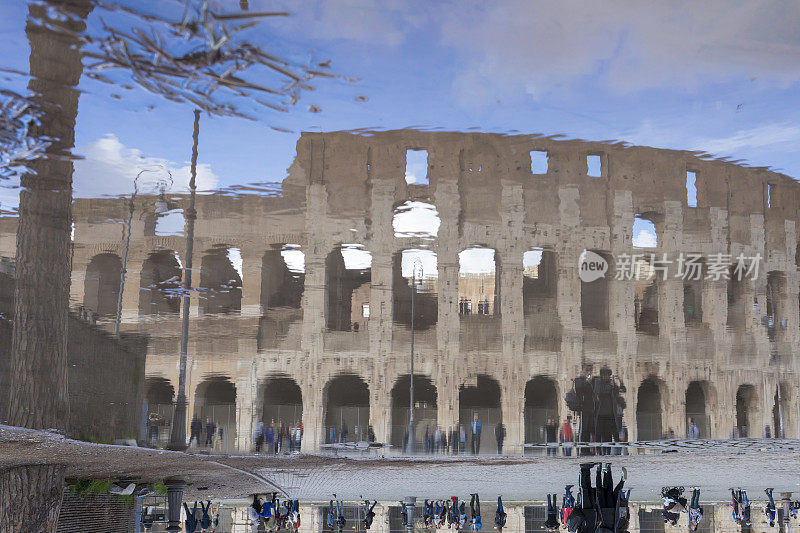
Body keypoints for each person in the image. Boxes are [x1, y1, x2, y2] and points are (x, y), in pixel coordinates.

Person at [593, 368, 622, 454]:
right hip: (600, 413)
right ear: (602, 375)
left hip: (610, 413)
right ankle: (598, 451)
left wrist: (619, 382)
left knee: (608, 434)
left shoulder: (611, 383)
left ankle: (608, 451)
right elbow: (599, 392)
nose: (607, 377)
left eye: (608, 375)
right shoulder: (598, 382)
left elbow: (620, 391)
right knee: (598, 433)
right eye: (605, 375)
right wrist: (610, 387)